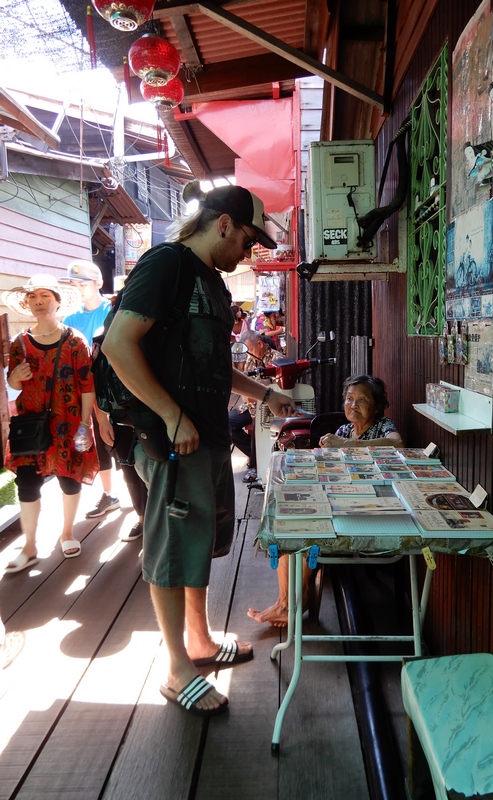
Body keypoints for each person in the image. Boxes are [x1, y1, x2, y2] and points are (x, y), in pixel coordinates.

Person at [102, 184, 296, 717]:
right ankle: (175, 670)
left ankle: (200, 642)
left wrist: (266, 394)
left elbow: (210, 363)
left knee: (198, 545)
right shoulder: (166, 264)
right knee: (171, 549)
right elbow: (117, 344)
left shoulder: (210, 281)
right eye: (249, 240)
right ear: (225, 224)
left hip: (202, 435)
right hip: (170, 439)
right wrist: (171, 414)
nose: (249, 253)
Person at [248, 374, 402, 627]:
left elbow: (397, 444)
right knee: (290, 522)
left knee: (308, 529)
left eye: (362, 400)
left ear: (376, 405)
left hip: (367, 507)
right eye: (349, 399)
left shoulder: (383, 426)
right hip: (341, 497)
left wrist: (347, 445)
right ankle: (285, 601)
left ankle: (294, 601)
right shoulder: (343, 429)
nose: (353, 405)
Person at [2, 275, 99, 573]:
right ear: (27, 304)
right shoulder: (19, 344)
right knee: (27, 483)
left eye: (45, 296)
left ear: (57, 301)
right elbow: (12, 386)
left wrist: (84, 425)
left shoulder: (75, 341)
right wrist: (13, 380)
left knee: (69, 479)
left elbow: (87, 386)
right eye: (33, 297)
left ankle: (67, 532)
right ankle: (29, 546)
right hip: (31, 425)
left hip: (69, 423)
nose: (39, 301)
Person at [61, 261, 121, 522]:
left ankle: (141, 502)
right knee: (100, 444)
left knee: (122, 442)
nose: (78, 288)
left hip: (116, 389)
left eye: (82, 283)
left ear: (98, 283)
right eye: (73, 284)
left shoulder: (114, 310)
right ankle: (109, 493)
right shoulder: (70, 319)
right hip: (86, 393)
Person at [229, 329, 284, 483]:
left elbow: (279, 390)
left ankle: (256, 465)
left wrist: (256, 396)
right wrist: (247, 397)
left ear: (260, 344)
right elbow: (244, 381)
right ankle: (257, 456)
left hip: (268, 407)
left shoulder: (277, 359)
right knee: (229, 423)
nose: (249, 354)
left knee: (259, 424)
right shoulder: (250, 359)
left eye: (251, 349)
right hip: (250, 406)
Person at [230, 304, 250, 371]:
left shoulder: (244, 322)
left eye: (240, 311)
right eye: (238, 311)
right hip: (232, 346)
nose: (240, 313)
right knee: (233, 367)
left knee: (241, 367)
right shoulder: (229, 323)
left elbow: (247, 334)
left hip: (242, 346)